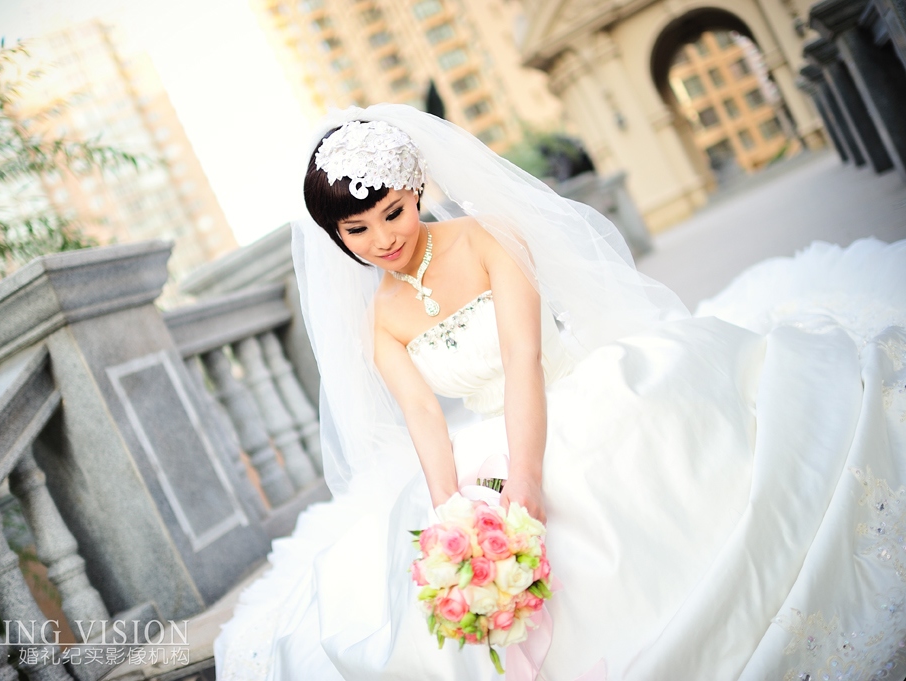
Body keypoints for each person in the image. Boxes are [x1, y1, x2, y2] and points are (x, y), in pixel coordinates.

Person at [215, 104, 906, 680]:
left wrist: (526, 477)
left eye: (391, 213)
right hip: (485, 428)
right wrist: (453, 511)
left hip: (572, 386)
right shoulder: (380, 319)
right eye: (356, 230)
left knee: (613, 470)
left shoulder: (489, 238)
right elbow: (424, 414)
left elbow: (524, 357)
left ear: (416, 190)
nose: (381, 239)